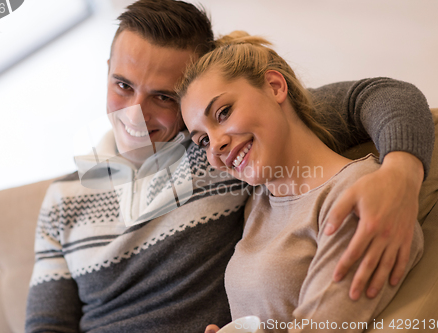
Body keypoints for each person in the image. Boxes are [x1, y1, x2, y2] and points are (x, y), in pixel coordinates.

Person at [25, 1, 434, 332]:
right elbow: (47, 324)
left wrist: (401, 171)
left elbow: (380, 96)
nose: (135, 114)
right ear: (107, 71)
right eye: (123, 85)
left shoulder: (222, 151)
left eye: (164, 98)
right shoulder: (62, 199)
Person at [177, 31, 424, 333]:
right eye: (202, 140)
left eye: (224, 112)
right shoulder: (258, 203)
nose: (215, 146)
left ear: (274, 86)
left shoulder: (359, 195)